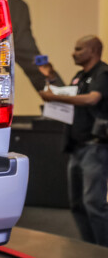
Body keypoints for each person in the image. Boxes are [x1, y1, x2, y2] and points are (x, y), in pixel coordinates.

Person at [40, 35, 108, 247]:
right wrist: (50, 79)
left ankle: (103, 250)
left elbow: (91, 98)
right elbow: (67, 95)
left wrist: (55, 98)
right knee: (77, 204)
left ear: (93, 50)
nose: (73, 53)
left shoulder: (102, 73)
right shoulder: (80, 75)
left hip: (94, 147)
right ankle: (90, 247)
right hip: (77, 148)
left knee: (94, 203)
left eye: (79, 49)